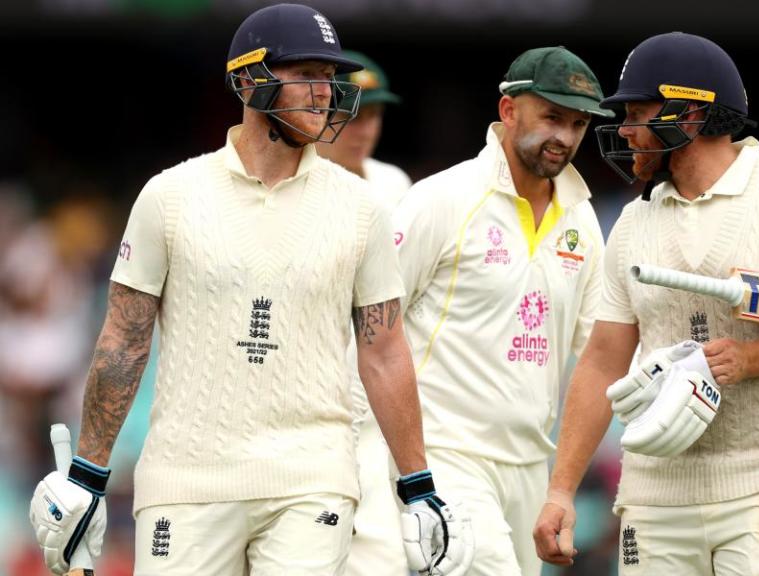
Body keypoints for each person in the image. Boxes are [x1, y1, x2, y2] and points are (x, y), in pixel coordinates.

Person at [28, 5, 471, 576]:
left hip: (313, 479)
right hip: (186, 481)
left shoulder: (361, 208)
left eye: (329, 78)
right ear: (248, 80)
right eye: (306, 74)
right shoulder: (170, 196)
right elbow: (124, 340)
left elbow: (383, 351)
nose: (324, 93)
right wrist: (87, 477)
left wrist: (418, 486)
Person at [533, 32, 759, 575]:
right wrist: (560, 492)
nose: (625, 131)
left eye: (637, 113)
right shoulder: (633, 222)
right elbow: (602, 361)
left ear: (692, 115)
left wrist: (754, 361)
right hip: (656, 495)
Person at [392, 46, 612, 575]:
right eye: (553, 117)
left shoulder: (581, 222)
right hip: (445, 457)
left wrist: (561, 487)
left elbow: (597, 358)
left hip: (530, 468)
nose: (565, 136)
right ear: (509, 110)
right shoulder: (442, 199)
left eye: (579, 123)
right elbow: (373, 331)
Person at [317, 51, 411, 576]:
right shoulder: (298, 187)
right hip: (312, 401)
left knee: (382, 559)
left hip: (376, 406)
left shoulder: (395, 186)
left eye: (374, 114)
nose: (363, 128)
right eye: (352, 113)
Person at [316, 50, 411, 207]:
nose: (366, 133)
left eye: (374, 114)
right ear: (318, 115)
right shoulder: (291, 188)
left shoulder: (394, 182)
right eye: (352, 117)